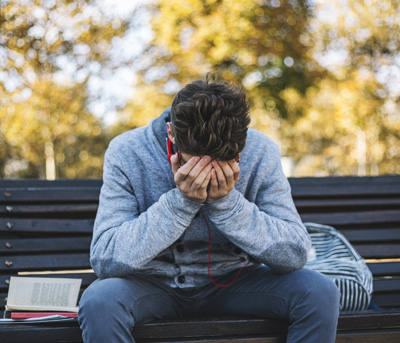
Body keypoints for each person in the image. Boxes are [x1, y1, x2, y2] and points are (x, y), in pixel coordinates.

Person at [78, 76, 340, 343]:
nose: (209, 174)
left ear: (243, 142)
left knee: (319, 291)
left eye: (224, 162)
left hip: (235, 281)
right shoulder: (127, 151)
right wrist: (181, 203)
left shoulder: (262, 151)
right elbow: (106, 259)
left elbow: (295, 254)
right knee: (100, 301)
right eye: (197, 164)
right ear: (171, 134)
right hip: (151, 284)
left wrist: (227, 205)